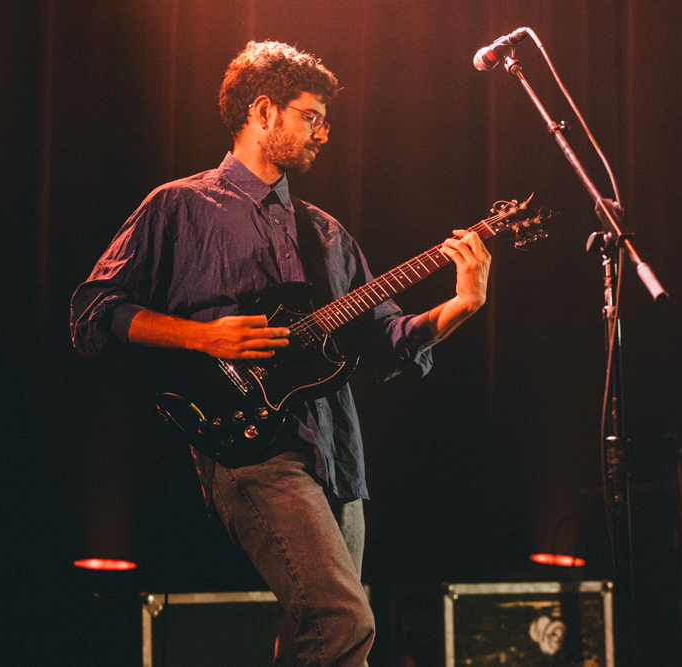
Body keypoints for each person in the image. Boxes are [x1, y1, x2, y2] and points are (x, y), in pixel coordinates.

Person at [69, 40, 490, 666]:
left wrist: (459, 308)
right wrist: (202, 335)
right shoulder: (180, 206)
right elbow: (92, 313)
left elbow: (385, 341)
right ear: (264, 111)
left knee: (313, 635)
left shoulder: (327, 235)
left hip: (337, 455)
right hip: (248, 449)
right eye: (311, 115)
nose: (326, 131)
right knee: (344, 621)